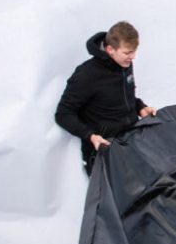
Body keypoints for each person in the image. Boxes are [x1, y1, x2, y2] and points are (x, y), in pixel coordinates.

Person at [55, 21, 157, 175]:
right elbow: (63, 114)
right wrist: (90, 136)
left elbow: (125, 96)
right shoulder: (86, 75)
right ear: (110, 49)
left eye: (134, 51)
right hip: (103, 150)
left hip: (131, 141)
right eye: (128, 52)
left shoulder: (124, 63)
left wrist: (141, 107)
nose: (133, 57)